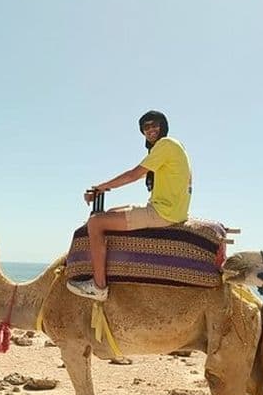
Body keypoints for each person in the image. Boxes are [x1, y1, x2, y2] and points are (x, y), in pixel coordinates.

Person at [65, 110, 192, 300]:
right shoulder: (174, 146)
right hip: (170, 209)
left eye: (154, 125)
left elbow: (134, 174)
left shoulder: (166, 144)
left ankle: (98, 286)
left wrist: (101, 187)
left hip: (163, 212)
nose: (150, 130)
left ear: (163, 126)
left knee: (96, 223)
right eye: (145, 127)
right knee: (112, 212)